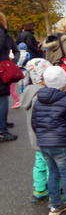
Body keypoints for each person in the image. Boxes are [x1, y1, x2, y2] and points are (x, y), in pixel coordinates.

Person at [31, 66, 66, 215]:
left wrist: (43, 138)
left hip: (43, 144)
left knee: (53, 174)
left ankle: (55, 206)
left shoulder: (38, 100)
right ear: (63, 83)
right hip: (61, 143)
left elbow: (34, 123)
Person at [20, 58, 52, 202]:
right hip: (46, 138)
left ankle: (39, 189)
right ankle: (55, 189)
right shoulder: (42, 96)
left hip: (35, 139)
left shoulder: (28, 92)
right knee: (52, 165)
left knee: (39, 164)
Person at [0, 12, 20, 142]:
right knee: (3, 98)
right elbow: (16, 51)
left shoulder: (5, 33)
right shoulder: (4, 33)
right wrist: (12, 64)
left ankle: (3, 124)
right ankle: (2, 130)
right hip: (3, 69)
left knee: (3, 98)